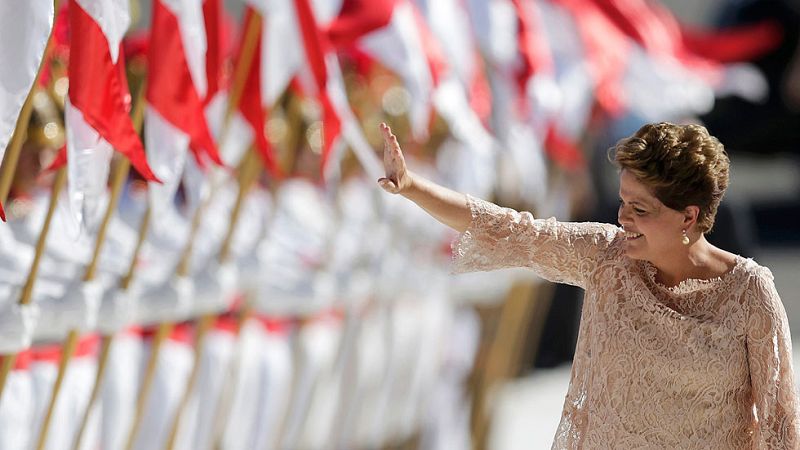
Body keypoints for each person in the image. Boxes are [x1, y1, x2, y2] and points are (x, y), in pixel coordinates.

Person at [377, 121, 800, 448]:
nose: (623, 218)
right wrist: (413, 187)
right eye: (622, 201)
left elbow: (781, 423)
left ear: (688, 217)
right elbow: (510, 229)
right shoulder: (605, 258)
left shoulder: (750, 293)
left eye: (640, 208)